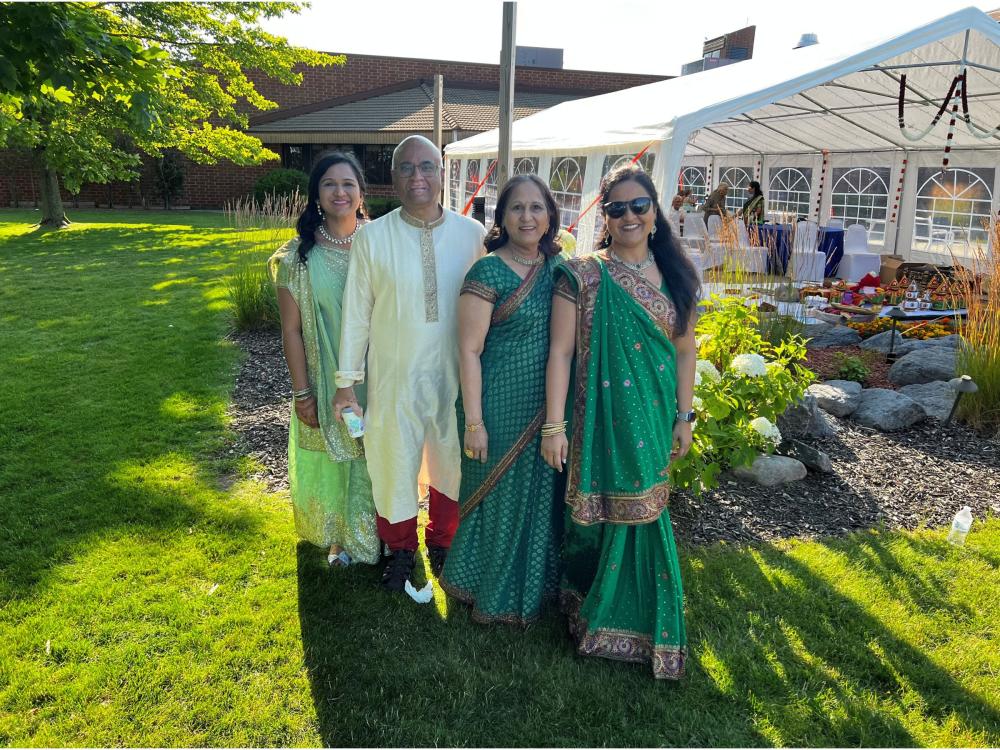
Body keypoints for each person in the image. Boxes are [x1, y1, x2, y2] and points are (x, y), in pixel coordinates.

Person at [541, 163, 700, 680]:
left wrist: (685, 416)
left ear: (655, 212)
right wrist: (554, 426)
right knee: (599, 510)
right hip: (597, 414)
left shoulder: (676, 275)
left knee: (646, 507)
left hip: (653, 414)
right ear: (604, 216)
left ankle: (638, 618)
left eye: (638, 206)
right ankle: (594, 607)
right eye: (616, 208)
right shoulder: (584, 274)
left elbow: (683, 351)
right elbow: (561, 354)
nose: (628, 216)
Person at [334, 135, 486, 593]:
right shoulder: (373, 238)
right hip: (393, 380)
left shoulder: (472, 235)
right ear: (393, 177)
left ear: (443, 174)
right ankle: (401, 550)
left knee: (451, 462)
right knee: (392, 461)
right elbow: (356, 314)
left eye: (427, 167)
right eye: (406, 168)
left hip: (456, 378)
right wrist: (347, 382)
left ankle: (443, 543)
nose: (417, 177)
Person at [439, 175, 565, 625]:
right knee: (495, 499)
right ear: (502, 217)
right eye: (516, 208)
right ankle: (484, 589)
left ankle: (533, 588)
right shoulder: (487, 271)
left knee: (537, 497)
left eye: (536, 207)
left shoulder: (559, 269)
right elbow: (469, 350)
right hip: (493, 405)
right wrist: (474, 420)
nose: (527, 217)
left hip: (548, 408)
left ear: (550, 215)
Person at [269, 151, 379, 568]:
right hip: (329, 379)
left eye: (348, 184)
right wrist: (302, 394)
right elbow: (292, 331)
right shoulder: (297, 257)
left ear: (361, 193)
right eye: (330, 184)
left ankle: (384, 532)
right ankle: (341, 535)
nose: (340, 192)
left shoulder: (380, 244)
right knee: (342, 453)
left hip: (381, 374)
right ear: (316, 194)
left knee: (377, 452)